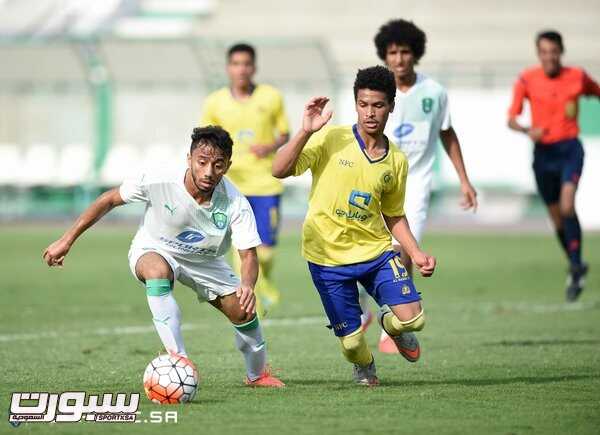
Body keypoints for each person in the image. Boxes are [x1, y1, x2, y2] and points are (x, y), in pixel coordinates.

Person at [43, 126, 284, 388]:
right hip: (155, 248)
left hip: (206, 261)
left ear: (227, 166)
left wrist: (247, 285)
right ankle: (179, 361)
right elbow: (109, 200)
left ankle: (257, 375)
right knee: (157, 274)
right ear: (189, 159)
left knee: (243, 312)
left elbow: (248, 255)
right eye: (202, 162)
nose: (208, 172)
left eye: (218, 165)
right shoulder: (159, 179)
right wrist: (66, 240)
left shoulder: (235, 202)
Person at [272, 66, 436, 385]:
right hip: (326, 259)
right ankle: (365, 364)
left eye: (377, 105)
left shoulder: (396, 161)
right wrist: (305, 130)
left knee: (414, 320)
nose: (370, 113)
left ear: (390, 105)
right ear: (355, 103)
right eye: (363, 104)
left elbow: (394, 214)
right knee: (351, 345)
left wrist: (415, 253)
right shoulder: (332, 139)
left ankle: (390, 326)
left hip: (375, 253)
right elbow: (278, 170)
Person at [363, 19, 477, 353]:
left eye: (405, 52)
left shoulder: (434, 93)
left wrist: (464, 181)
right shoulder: (377, 94)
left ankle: (394, 328)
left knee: (402, 250)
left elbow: (447, 133)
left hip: (415, 183)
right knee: (365, 251)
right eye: (392, 53)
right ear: (385, 55)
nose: (399, 59)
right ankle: (368, 310)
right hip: (377, 181)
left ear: (416, 53)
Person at [508, 30, 600, 301]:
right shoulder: (527, 78)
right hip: (543, 154)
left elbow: (597, 92)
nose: (549, 56)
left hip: (569, 149)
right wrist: (526, 130)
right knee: (557, 217)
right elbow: (511, 118)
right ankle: (576, 264)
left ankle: (575, 263)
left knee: (568, 205)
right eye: (544, 52)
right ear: (539, 54)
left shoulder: (577, 77)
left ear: (561, 52)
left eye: (553, 51)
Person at [201, 43, 290, 317]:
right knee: (242, 250)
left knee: (265, 253)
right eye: (236, 64)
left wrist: (270, 146)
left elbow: (285, 134)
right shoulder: (215, 102)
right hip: (231, 186)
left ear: (254, 67)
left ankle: (267, 283)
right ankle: (254, 303)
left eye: (246, 64)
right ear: (229, 68)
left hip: (265, 184)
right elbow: (205, 139)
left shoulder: (271, 97)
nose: (241, 69)